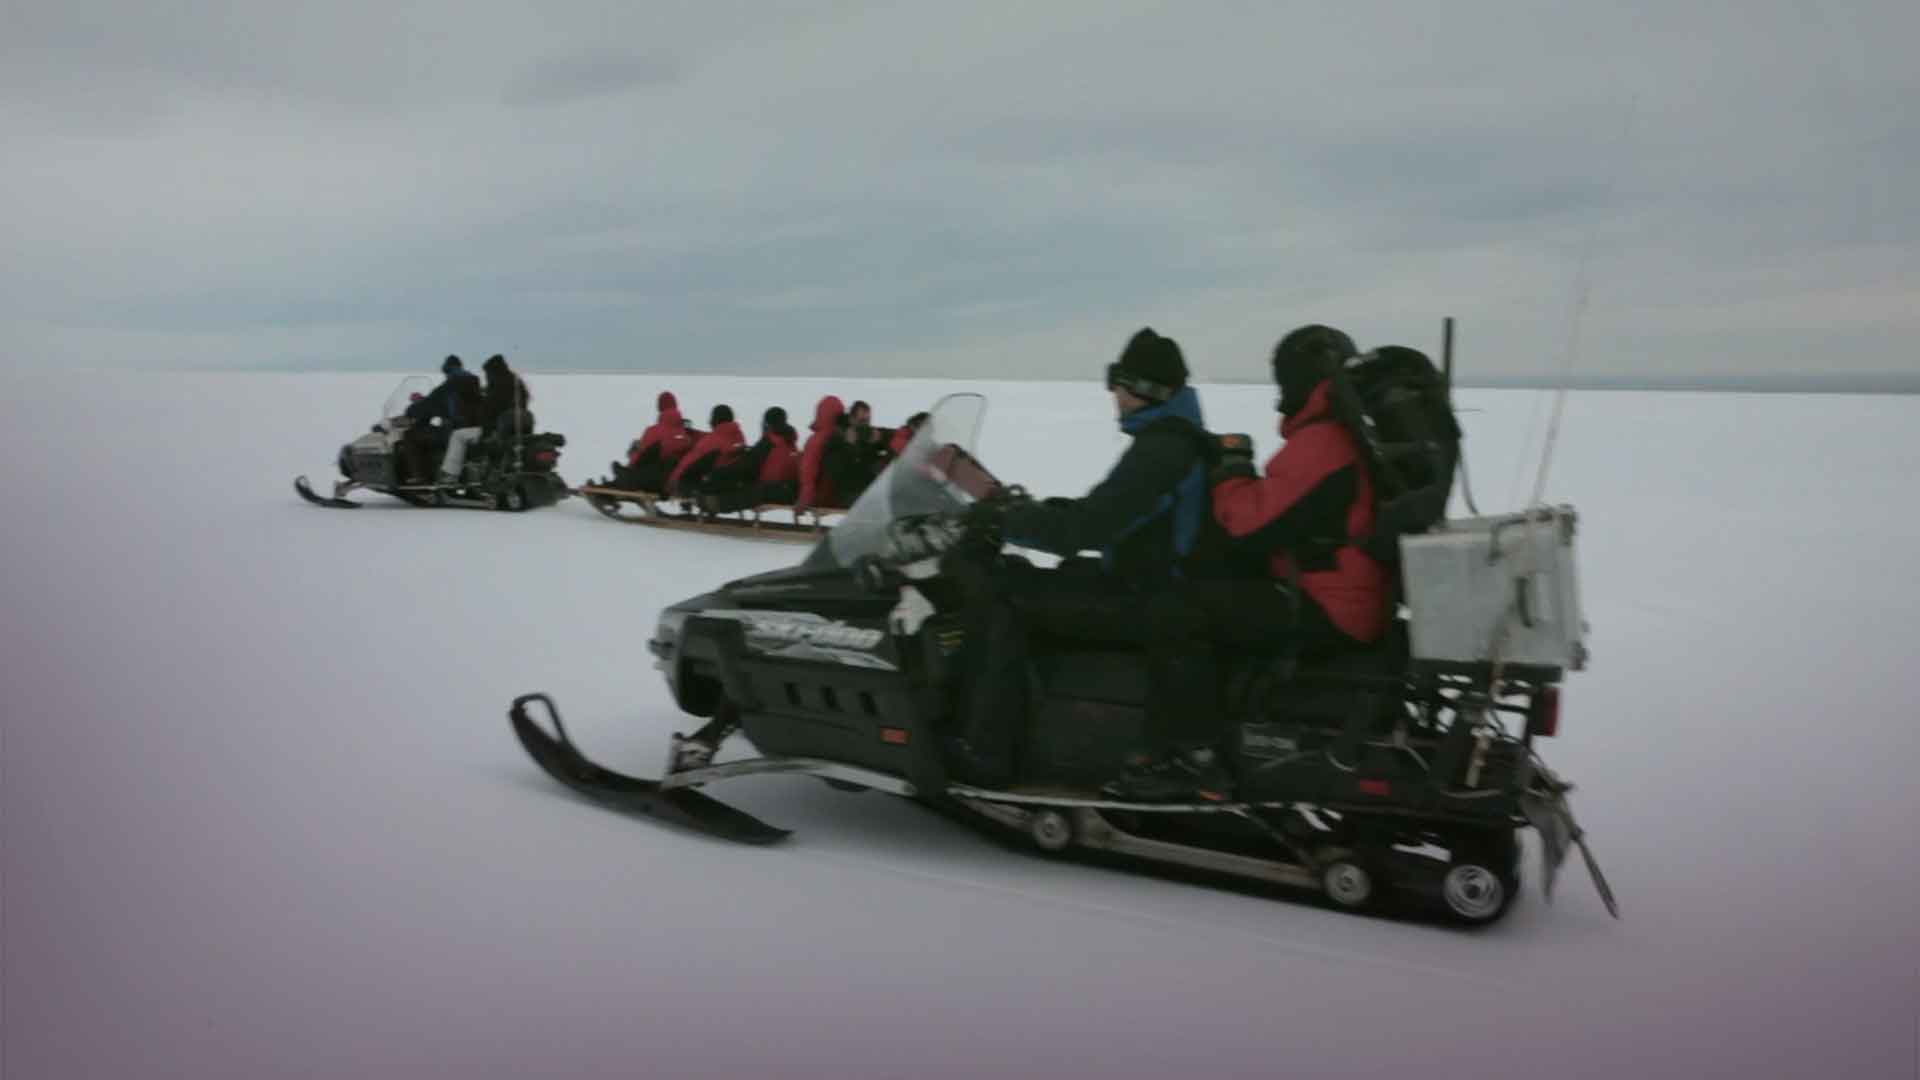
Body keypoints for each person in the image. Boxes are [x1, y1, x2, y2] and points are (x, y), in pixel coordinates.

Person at [946, 327, 1246, 800]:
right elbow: (1115, 515)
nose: (1113, 394)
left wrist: (1007, 522)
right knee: (1038, 578)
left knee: (1007, 598)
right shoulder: (1180, 440)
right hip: (1153, 583)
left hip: (1149, 594)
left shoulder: (1161, 451)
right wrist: (1032, 512)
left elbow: (1084, 531)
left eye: (1118, 382)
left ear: (1143, 390)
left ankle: (986, 753)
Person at [1208, 324, 1391, 651]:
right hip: (1355, 598)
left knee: (1179, 614)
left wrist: (1231, 474)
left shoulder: (1323, 443)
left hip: (1329, 607)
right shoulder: (1349, 431)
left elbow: (1247, 527)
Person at [700, 405, 802, 512]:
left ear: (767, 425)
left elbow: (745, 466)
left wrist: (714, 476)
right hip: (790, 491)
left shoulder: (769, 443)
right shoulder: (790, 442)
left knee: (741, 487)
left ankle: (713, 504)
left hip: (773, 491)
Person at [409, 355, 481, 485]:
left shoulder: (450, 385)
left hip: (455, 429)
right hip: (473, 428)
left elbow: (429, 404)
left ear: (447, 370)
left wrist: (411, 410)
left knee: (411, 435)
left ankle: (419, 477)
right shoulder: (474, 383)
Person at [612, 392, 696, 492]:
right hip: (676, 480)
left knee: (647, 452)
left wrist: (630, 464)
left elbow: (641, 454)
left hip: (654, 482)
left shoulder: (653, 431)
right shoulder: (684, 431)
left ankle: (624, 477)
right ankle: (619, 480)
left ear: (659, 408)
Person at [795, 395, 860, 512]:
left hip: (821, 496)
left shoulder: (816, 440)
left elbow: (808, 470)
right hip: (839, 494)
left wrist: (805, 498)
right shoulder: (846, 436)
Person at [667, 405, 747, 496]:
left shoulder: (709, 442)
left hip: (705, 486)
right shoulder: (739, 438)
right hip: (731, 484)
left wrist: (672, 481)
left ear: (715, 420)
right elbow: (720, 439)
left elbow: (689, 462)